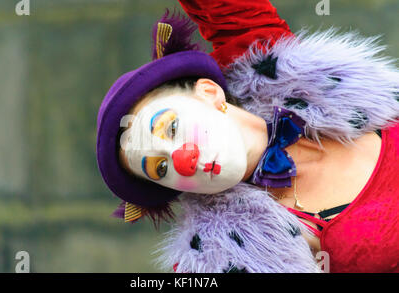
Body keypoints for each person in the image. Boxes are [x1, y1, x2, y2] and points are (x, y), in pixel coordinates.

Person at [96, 0, 399, 273]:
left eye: (172, 128)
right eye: (160, 169)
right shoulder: (227, 258)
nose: (181, 160)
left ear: (209, 93)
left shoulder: (285, 76)